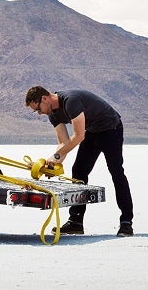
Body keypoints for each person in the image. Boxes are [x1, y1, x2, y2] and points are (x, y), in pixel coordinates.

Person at [25, 86, 133, 237]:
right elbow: (63, 143)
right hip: (92, 132)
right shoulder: (53, 115)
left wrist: (56, 157)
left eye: (38, 109)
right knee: (78, 172)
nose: (39, 113)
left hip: (111, 129)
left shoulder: (71, 101)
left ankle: (126, 222)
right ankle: (76, 222)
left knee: (116, 172)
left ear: (44, 98)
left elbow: (79, 136)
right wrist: (52, 165)